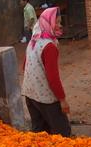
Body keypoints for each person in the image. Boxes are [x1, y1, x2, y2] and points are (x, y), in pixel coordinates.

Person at [21, 7, 71, 137]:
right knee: (63, 133)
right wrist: (62, 100)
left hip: (30, 95)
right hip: (46, 99)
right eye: (57, 23)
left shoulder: (34, 40)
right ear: (48, 23)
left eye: (60, 22)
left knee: (40, 135)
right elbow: (53, 78)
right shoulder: (49, 46)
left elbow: (24, 66)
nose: (60, 26)